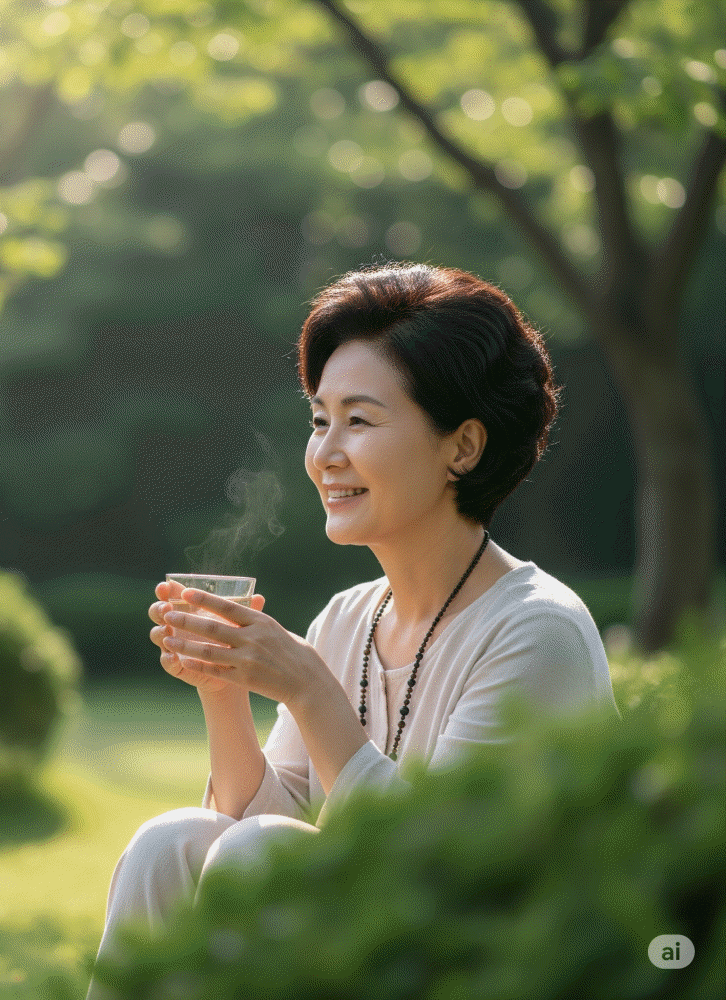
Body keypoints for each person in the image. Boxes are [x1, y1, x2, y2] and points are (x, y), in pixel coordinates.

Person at [85, 262, 618, 997]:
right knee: (171, 840)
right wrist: (223, 685)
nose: (326, 453)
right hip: (367, 946)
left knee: (265, 856)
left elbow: (430, 866)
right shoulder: (347, 618)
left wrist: (308, 689)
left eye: (359, 420)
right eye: (319, 419)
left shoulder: (535, 629)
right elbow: (256, 819)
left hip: (483, 968)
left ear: (462, 447)